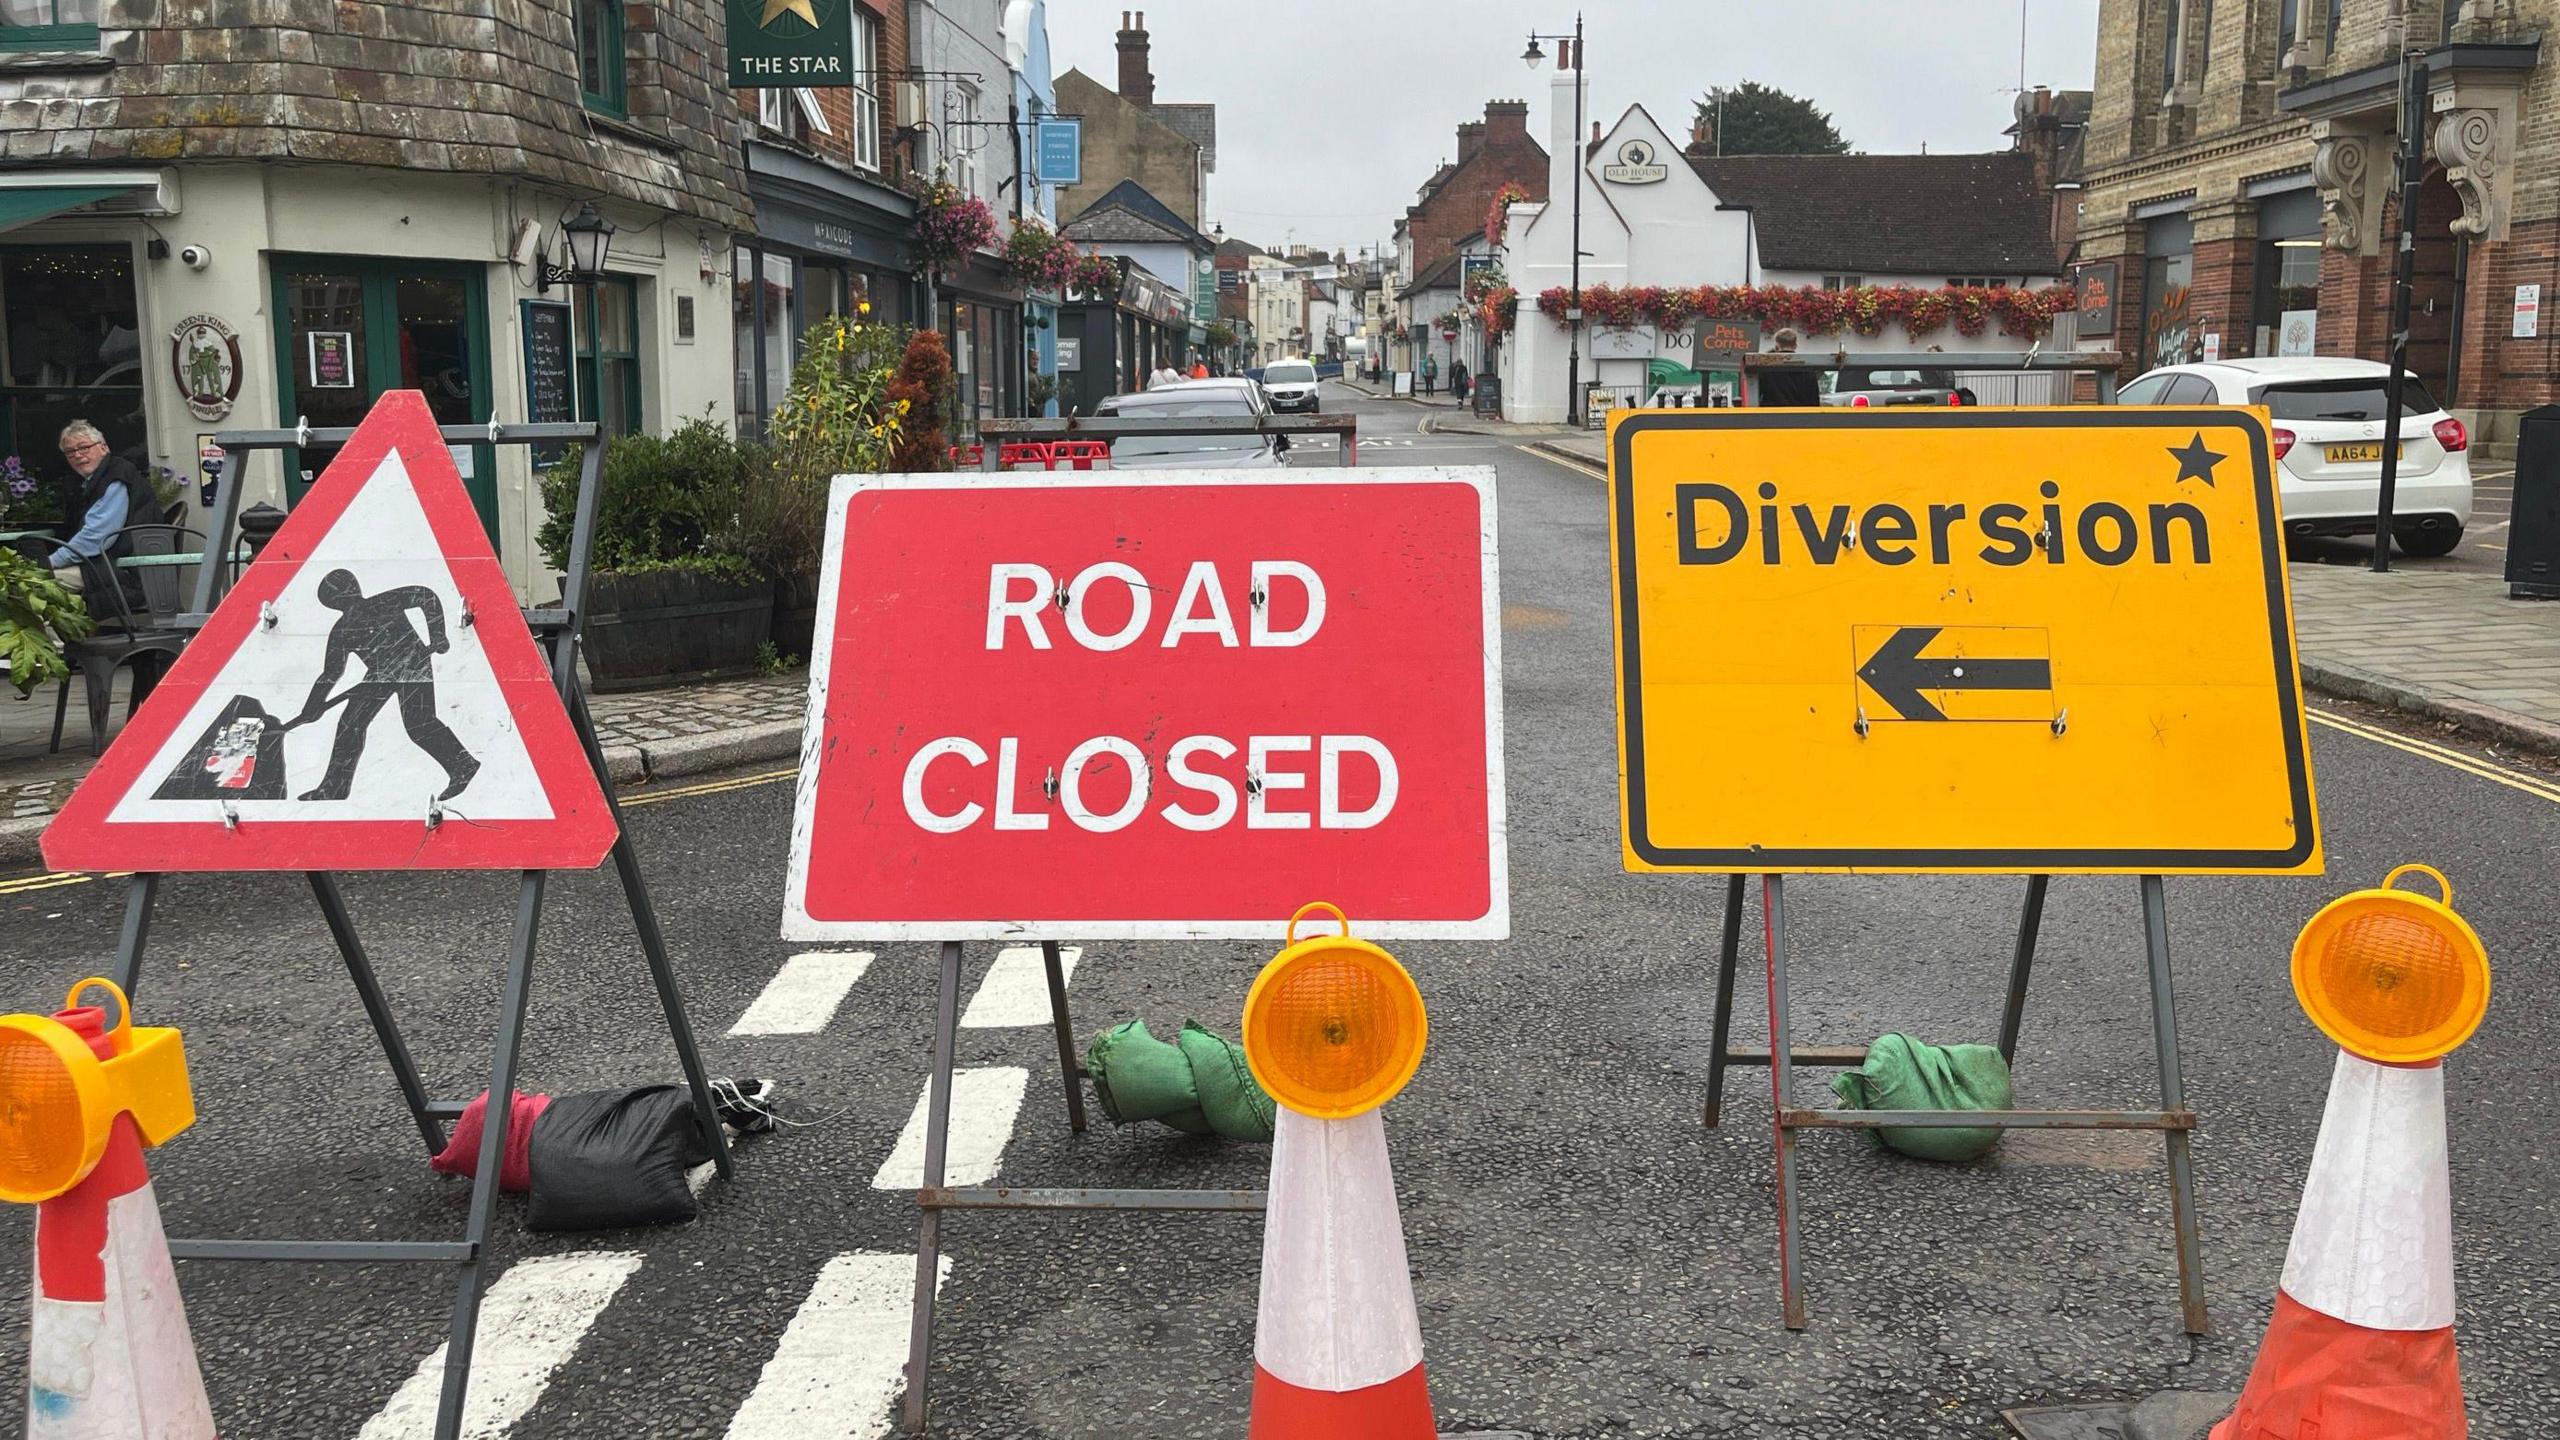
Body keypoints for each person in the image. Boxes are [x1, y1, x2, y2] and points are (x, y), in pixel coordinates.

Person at [288, 568, 480, 803]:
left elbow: (425, 595)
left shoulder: (383, 602)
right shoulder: (342, 630)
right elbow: (331, 672)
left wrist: (437, 634)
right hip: (379, 673)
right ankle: (333, 789)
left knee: (419, 723)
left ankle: (464, 766)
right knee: (350, 724)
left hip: (412, 664)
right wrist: (312, 706)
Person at [45, 420, 155, 595]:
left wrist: (49, 562)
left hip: (125, 573)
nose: (78, 455)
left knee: (33, 582)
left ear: (103, 447)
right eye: (70, 452)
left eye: (84, 447)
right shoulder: (93, 480)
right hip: (110, 567)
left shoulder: (116, 478)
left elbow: (96, 538)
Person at [1755, 328, 1822, 408]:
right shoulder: (1808, 370)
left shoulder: (1766, 369)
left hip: (1772, 416)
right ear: (1795, 346)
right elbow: (1814, 400)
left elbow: (1757, 395)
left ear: (1777, 346)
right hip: (1800, 417)